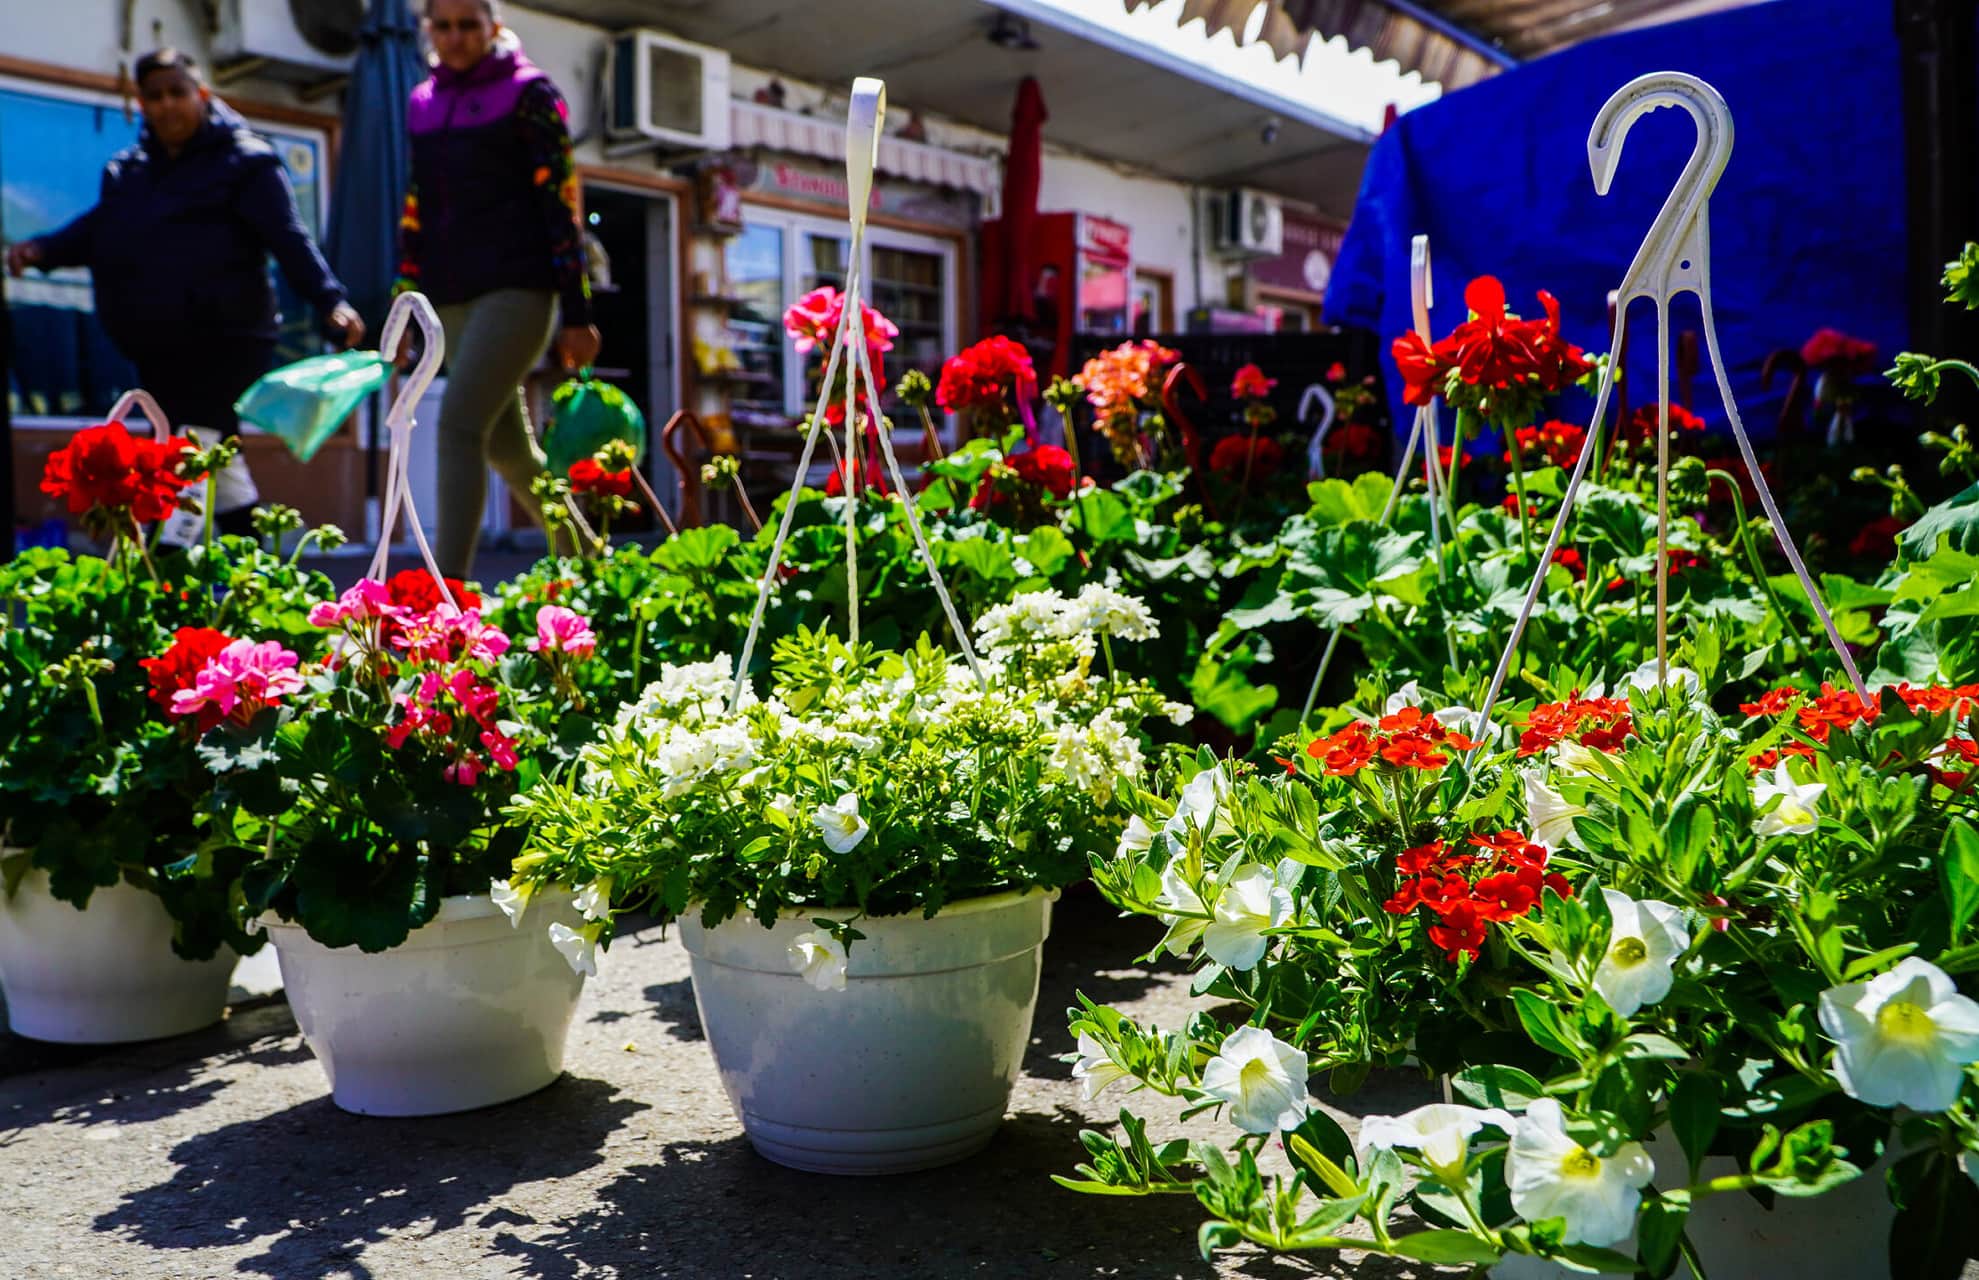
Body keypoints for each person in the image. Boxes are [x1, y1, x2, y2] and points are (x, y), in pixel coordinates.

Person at [6, 49, 363, 534]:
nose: (168, 105)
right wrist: (41, 250)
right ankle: (256, 575)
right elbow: (97, 232)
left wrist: (330, 300)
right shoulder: (130, 172)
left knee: (187, 454)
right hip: (158, 346)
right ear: (141, 104)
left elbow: (288, 237)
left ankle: (170, 570)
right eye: (155, 96)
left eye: (178, 92)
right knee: (211, 458)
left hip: (228, 339)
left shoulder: (246, 163)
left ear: (202, 95)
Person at [396, 0, 600, 578]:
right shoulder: (422, 103)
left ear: (494, 28)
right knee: (507, 449)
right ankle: (593, 567)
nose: (456, 37)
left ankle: (445, 600)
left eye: (469, 25)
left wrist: (578, 312)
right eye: (444, 26)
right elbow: (418, 209)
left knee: (458, 424)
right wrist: (405, 302)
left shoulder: (530, 93)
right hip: (449, 296)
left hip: (518, 289)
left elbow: (560, 205)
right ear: (428, 30)